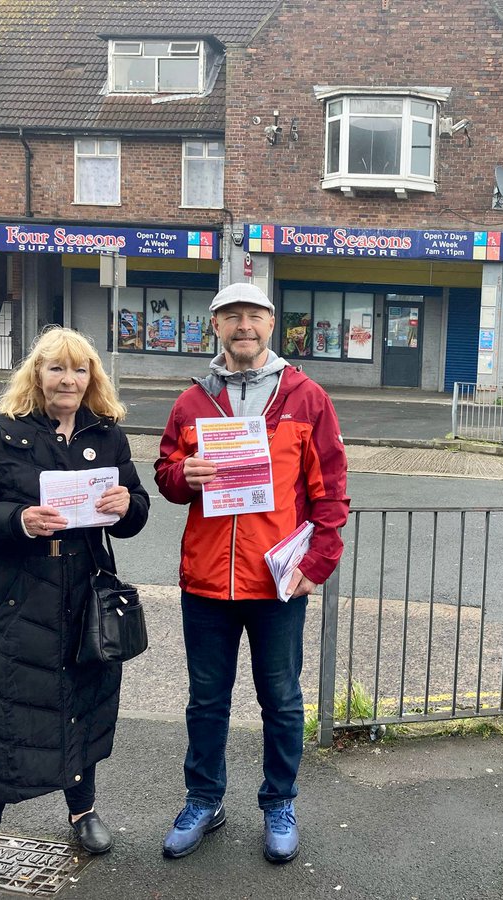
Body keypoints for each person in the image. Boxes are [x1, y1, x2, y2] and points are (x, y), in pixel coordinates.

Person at [0, 327, 150, 891]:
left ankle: (82, 813)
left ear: (92, 379)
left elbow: (135, 513)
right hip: (16, 598)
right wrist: (18, 521)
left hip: (86, 596)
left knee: (83, 701)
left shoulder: (107, 436)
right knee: (1, 715)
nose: (68, 380)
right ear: (36, 375)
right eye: (56, 369)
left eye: (79, 370)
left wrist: (128, 504)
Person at [154, 282, 349, 864]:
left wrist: (317, 565)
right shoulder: (192, 401)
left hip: (277, 581)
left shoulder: (305, 397)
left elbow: (331, 493)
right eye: (232, 316)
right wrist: (180, 475)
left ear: (271, 324)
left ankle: (279, 802)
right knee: (206, 701)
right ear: (215, 326)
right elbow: (165, 475)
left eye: (255, 315)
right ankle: (203, 799)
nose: (244, 326)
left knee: (282, 701)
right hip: (207, 581)